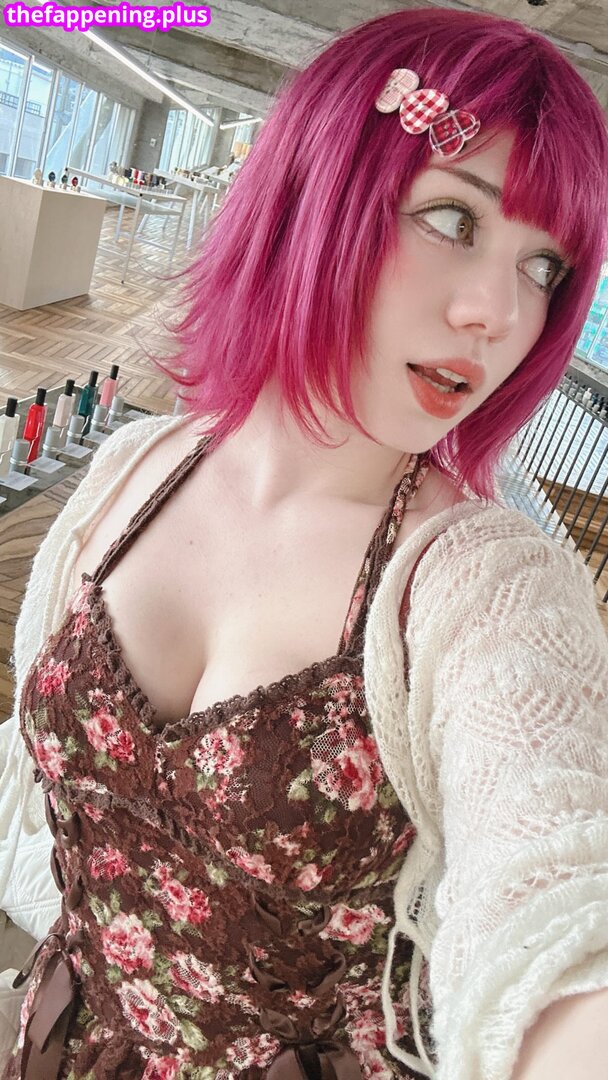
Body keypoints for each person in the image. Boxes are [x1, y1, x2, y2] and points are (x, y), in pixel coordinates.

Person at [1, 7, 608, 1080]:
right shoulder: (134, 468)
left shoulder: (482, 582)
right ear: (316, 192)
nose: (497, 314)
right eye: (453, 218)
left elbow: (551, 889)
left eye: (544, 267)